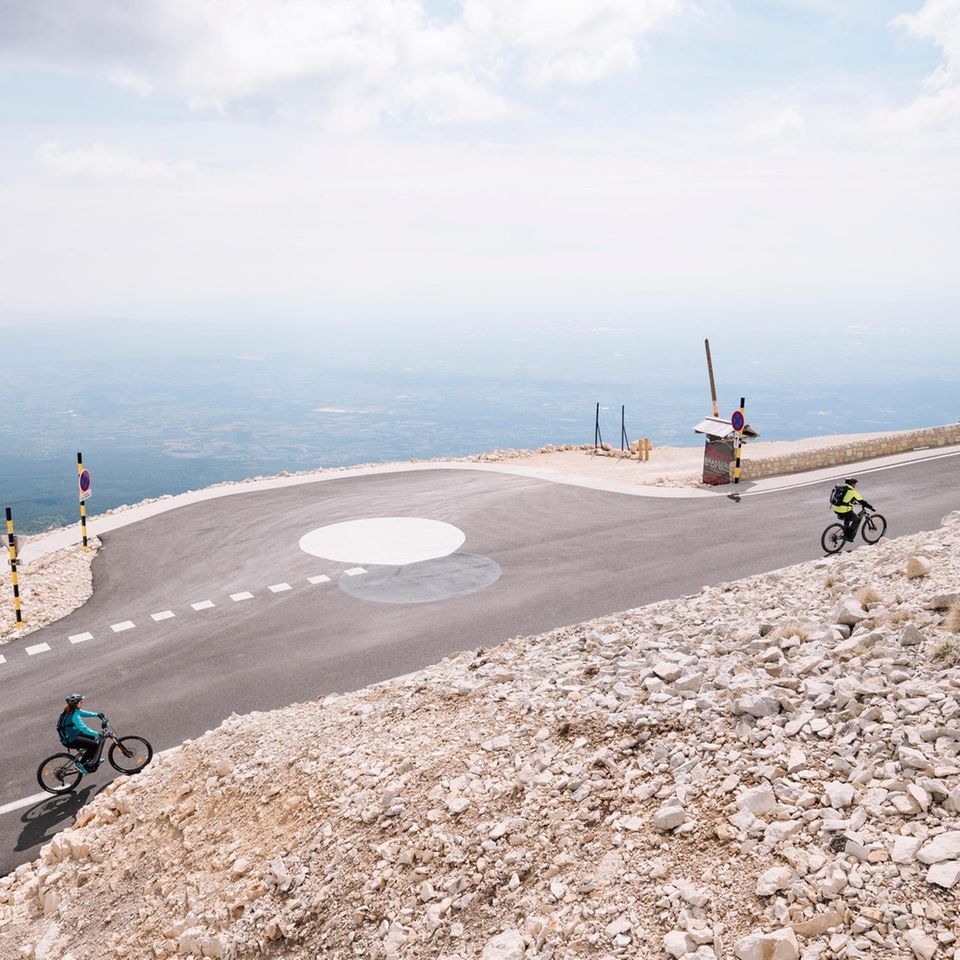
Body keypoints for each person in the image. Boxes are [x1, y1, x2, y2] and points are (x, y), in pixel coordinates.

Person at [57, 693, 105, 772]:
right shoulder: (75, 716)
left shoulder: (71, 710)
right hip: (70, 740)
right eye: (81, 702)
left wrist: (97, 714)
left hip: (70, 735)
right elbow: (84, 729)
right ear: (76, 704)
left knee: (92, 737)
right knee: (94, 745)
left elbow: (83, 713)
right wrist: (98, 734)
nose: (83, 702)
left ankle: (92, 758)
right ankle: (81, 764)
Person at [833, 477, 875, 542]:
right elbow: (862, 501)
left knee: (848, 517)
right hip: (844, 510)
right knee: (857, 520)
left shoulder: (842, 488)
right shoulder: (852, 491)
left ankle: (845, 532)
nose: (855, 485)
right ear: (852, 484)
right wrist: (871, 507)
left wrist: (852, 502)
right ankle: (848, 536)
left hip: (836, 509)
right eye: (854, 484)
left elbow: (844, 499)